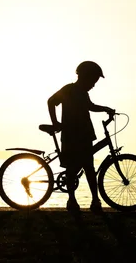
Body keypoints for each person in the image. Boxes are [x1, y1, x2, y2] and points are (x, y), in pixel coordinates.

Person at [47, 61, 114, 213]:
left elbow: (90, 106)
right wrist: (55, 122)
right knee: (78, 169)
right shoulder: (70, 89)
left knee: (87, 168)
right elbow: (51, 101)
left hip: (83, 134)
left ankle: (94, 200)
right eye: (93, 81)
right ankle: (75, 200)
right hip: (73, 134)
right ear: (85, 77)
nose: (94, 85)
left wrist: (104, 108)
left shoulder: (82, 92)